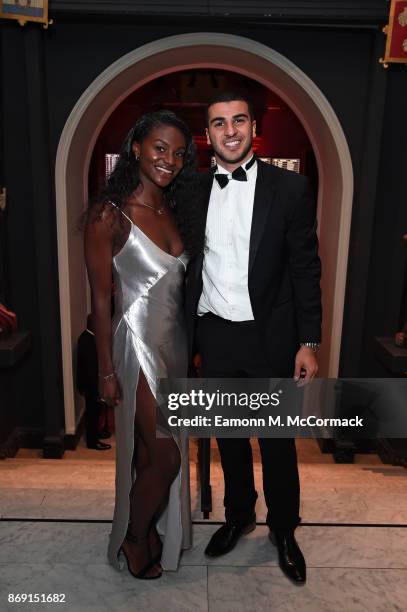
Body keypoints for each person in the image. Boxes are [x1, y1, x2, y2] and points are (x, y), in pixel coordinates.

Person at [185, 92, 322, 584]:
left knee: (278, 442)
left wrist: (310, 340)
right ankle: (238, 515)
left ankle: (283, 528)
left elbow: (307, 268)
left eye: (238, 120)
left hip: (273, 338)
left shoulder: (290, 189)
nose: (230, 130)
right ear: (208, 135)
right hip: (216, 335)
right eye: (218, 122)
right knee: (230, 439)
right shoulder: (193, 191)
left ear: (252, 126)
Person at [85, 110, 202, 579]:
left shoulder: (173, 209)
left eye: (178, 153)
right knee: (166, 455)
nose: (168, 160)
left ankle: (149, 528)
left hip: (174, 346)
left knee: (155, 452)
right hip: (135, 345)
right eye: (159, 147)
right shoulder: (107, 216)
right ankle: (135, 539)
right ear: (136, 147)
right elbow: (98, 297)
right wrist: (105, 371)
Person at [76, 313, 112, 450]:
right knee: (92, 413)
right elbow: (90, 368)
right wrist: (96, 389)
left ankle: (96, 434)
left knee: (95, 413)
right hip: (91, 386)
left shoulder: (87, 337)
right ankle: (93, 442)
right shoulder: (88, 340)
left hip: (90, 385)